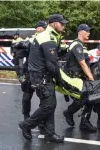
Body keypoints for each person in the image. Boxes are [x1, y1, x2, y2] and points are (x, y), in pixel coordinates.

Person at [18, 14, 68, 143]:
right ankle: (27, 124)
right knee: (49, 105)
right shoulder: (47, 37)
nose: (63, 25)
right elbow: (51, 63)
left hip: (41, 76)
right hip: (41, 77)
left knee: (49, 104)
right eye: (61, 23)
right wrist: (60, 80)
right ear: (53, 23)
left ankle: (49, 133)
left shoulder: (51, 36)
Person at [63, 24, 97, 132]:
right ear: (80, 32)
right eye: (87, 31)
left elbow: (87, 64)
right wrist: (91, 78)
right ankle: (69, 112)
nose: (89, 33)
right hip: (73, 79)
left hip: (81, 78)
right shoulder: (76, 45)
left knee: (89, 99)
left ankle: (84, 122)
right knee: (82, 100)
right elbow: (82, 63)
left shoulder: (82, 46)